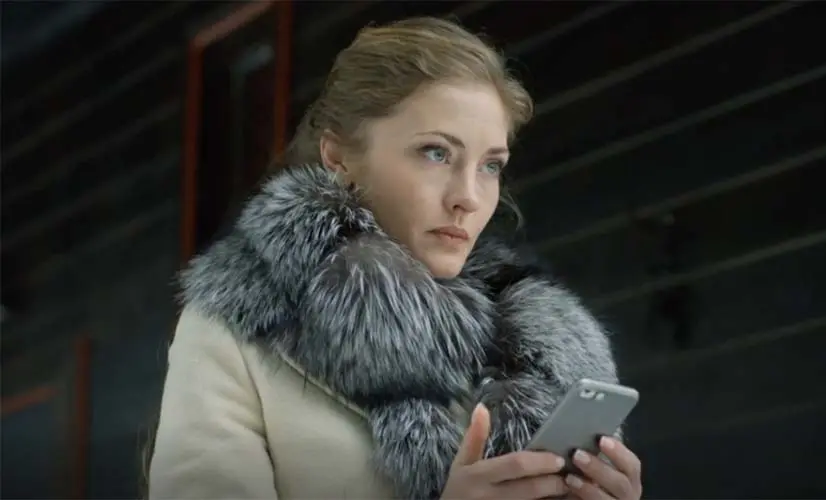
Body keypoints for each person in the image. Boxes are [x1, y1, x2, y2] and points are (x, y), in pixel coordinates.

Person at [147, 16, 642, 500]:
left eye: (491, 166)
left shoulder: (531, 340)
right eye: (435, 153)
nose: (468, 197)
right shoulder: (235, 330)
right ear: (339, 157)